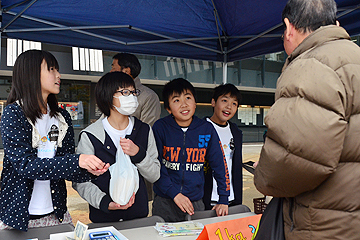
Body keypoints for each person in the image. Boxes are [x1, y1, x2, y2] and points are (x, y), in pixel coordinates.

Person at [254, 0, 360, 239]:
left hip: (322, 223)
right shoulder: (355, 56)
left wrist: (263, 174)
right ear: (335, 22)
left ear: (289, 27)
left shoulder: (310, 66)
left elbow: (297, 159)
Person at [0, 50, 109, 231]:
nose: (58, 75)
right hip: (18, 215)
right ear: (31, 73)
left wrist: (89, 171)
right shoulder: (14, 113)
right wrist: (77, 160)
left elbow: (66, 167)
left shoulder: (62, 116)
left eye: (57, 69)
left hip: (56, 213)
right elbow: (25, 165)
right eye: (51, 69)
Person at [72, 72, 160, 223]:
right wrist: (105, 202)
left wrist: (138, 154)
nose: (132, 97)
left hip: (137, 216)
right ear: (107, 96)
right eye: (125, 92)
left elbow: (155, 175)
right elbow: (80, 180)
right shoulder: (91, 135)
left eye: (133, 92)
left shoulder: (144, 130)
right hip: (104, 218)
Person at [152, 78, 230, 222]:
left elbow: (219, 164)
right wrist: (175, 193)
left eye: (188, 98)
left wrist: (223, 198)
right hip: (165, 202)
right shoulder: (160, 128)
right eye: (176, 100)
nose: (184, 104)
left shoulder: (206, 129)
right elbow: (156, 166)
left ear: (195, 103)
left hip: (195, 202)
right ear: (168, 108)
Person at [203, 83, 243, 210]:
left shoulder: (236, 132)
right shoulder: (200, 129)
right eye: (224, 100)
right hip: (206, 198)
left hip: (230, 199)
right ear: (213, 102)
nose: (228, 107)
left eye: (234, 104)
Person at [110, 53, 161, 127]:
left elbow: (147, 129)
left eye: (113, 68)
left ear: (126, 71)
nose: (111, 72)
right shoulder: (113, 93)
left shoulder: (149, 96)